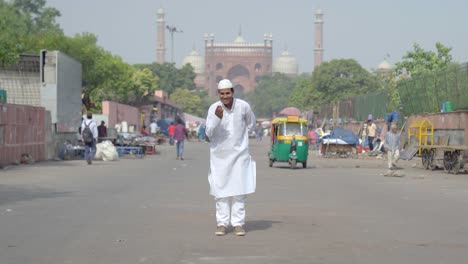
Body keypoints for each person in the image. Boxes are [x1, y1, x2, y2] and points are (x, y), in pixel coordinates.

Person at [206, 79, 256, 237]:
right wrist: (216, 119)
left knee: (239, 191)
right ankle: (222, 223)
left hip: (239, 155)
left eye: (228, 93)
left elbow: (251, 124)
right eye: (222, 93)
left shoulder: (243, 106)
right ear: (218, 94)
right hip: (219, 156)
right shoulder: (214, 109)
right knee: (220, 191)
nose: (225, 96)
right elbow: (208, 133)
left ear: (233, 92)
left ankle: (238, 224)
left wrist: (243, 140)